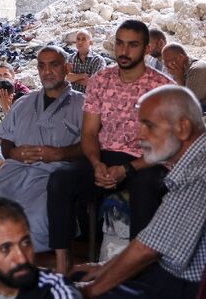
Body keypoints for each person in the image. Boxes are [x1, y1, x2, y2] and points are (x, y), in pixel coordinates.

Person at [74, 85, 206, 297]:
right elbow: (149, 242)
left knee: (67, 288)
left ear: (183, 128)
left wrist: (88, 292)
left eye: (149, 126)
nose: (139, 136)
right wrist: (104, 269)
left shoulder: (200, 174)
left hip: (186, 287)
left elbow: (147, 250)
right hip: (182, 279)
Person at [48, 21, 172, 273]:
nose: (124, 51)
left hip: (145, 161)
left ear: (147, 49)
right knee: (60, 179)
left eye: (133, 45)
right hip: (104, 157)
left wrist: (127, 169)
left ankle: (137, 271)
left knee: (148, 187)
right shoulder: (101, 80)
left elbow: (166, 145)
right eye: (120, 43)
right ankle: (63, 265)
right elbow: (89, 132)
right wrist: (96, 164)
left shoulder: (162, 86)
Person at [0, 46, 84, 254]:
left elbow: (91, 145)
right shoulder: (24, 102)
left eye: (53, 65)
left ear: (67, 68)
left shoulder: (82, 105)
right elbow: (6, 139)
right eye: (42, 66)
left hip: (53, 173)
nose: (47, 71)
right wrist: (13, 152)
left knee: (36, 213)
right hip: (16, 168)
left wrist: (59, 153)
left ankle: (30, 262)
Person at [162, 42, 206, 110]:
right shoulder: (182, 67)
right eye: (164, 61)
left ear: (181, 57)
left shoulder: (196, 71)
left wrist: (179, 77)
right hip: (205, 104)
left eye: (169, 61)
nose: (166, 65)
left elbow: (187, 104)